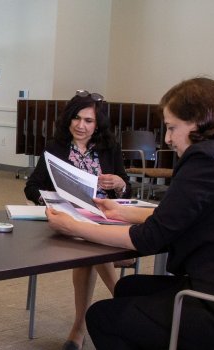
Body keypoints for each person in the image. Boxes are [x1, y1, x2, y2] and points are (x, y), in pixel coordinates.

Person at [46, 77, 214, 349]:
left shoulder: (206, 158)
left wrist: (74, 227)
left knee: (102, 317)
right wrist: (119, 212)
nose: (167, 139)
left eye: (171, 128)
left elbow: (150, 238)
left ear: (198, 121)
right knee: (126, 288)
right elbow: (179, 217)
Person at [24, 90, 132, 350]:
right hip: (71, 220)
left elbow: (126, 189)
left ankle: (80, 328)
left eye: (88, 121)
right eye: (76, 118)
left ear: (98, 125)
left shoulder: (109, 148)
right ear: (69, 119)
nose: (80, 125)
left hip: (106, 218)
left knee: (88, 247)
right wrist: (50, 201)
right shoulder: (56, 147)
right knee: (88, 245)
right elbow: (32, 187)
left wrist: (119, 184)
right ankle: (123, 304)